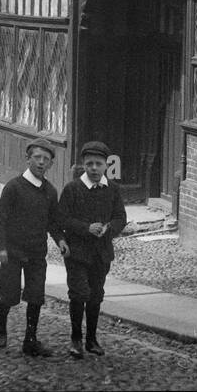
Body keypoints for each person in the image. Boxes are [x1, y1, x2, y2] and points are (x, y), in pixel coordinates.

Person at [0, 140, 68, 357]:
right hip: (12, 254)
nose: (41, 163)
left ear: (51, 164)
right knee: (10, 295)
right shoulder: (14, 187)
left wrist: (60, 239)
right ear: (28, 159)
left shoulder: (50, 192)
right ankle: (0, 322)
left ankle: (30, 340)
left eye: (46, 159)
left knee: (35, 297)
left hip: (36, 254)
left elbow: (53, 222)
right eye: (37, 158)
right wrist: (0, 248)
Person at [56, 141, 126, 359]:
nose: (94, 168)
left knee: (95, 296)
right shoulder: (73, 189)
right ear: (83, 165)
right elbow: (62, 219)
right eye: (89, 164)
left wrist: (109, 229)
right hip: (77, 252)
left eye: (98, 164)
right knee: (78, 295)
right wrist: (86, 228)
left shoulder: (112, 190)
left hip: (101, 253)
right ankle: (76, 339)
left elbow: (120, 217)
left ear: (107, 165)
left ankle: (91, 339)